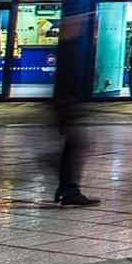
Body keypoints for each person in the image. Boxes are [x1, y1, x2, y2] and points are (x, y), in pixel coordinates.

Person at [50, 16, 99, 207]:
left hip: (67, 105)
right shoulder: (72, 49)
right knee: (75, 147)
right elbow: (69, 79)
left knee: (73, 147)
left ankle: (66, 187)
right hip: (67, 106)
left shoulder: (70, 48)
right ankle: (69, 190)